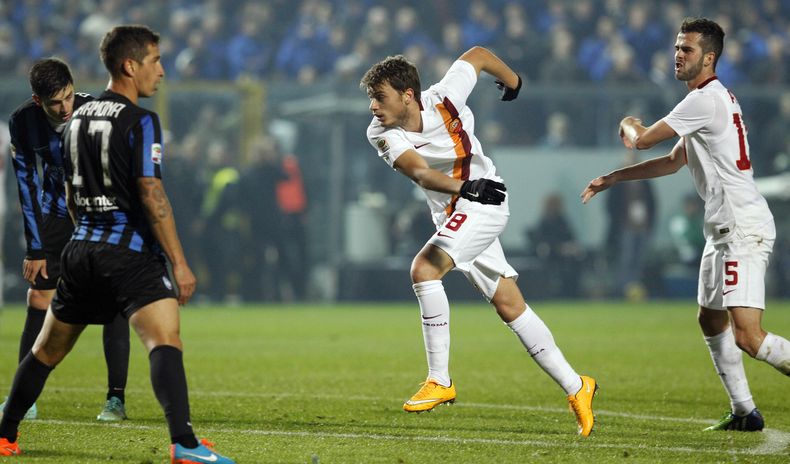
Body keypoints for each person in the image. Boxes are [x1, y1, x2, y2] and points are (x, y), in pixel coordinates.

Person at [0, 25, 235, 463]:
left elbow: (68, 191)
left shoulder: (76, 120)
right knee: (165, 338)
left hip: (81, 249)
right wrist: (179, 261)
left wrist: (83, 234)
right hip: (128, 251)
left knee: (46, 350)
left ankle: (4, 433)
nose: (161, 71)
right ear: (130, 65)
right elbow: (151, 191)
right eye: (155, 61)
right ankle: (184, 445)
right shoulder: (141, 120)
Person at [361, 48, 597, 437]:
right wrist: (466, 187)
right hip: (460, 206)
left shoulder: (445, 97)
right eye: (371, 98)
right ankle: (578, 386)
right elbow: (421, 174)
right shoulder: (380, 132)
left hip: (484, 203)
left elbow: (477, 55)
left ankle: (439, 379)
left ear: (408, 95)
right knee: (510, 305)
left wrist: (514, 80)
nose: (373, 106)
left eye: (379, 97)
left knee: (424, 269)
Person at [581, 17, 790, 432]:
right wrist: (615, 177)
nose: (678, 55)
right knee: (710, 319)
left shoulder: (703, 100)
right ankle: (744, 412)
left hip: (741, 228)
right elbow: (674, 161)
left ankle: (745, 410)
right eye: (677, 47)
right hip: (722, 229)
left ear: (709, 58)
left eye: (687, 49)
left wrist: (627, 121)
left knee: (748, 336)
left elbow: (641, 139)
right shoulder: (707, 101)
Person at [4, 57, 130, 422]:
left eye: (68, 97)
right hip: (57, 216)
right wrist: (35, 247)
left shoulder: (97, 112)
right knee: (38, 296)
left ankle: (115, 399)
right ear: (37, 100)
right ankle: (24, 400)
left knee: (112, 300)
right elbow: (26, 183)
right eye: (55, 103)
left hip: (100, 214)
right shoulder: (22, 122)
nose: (64, 108)